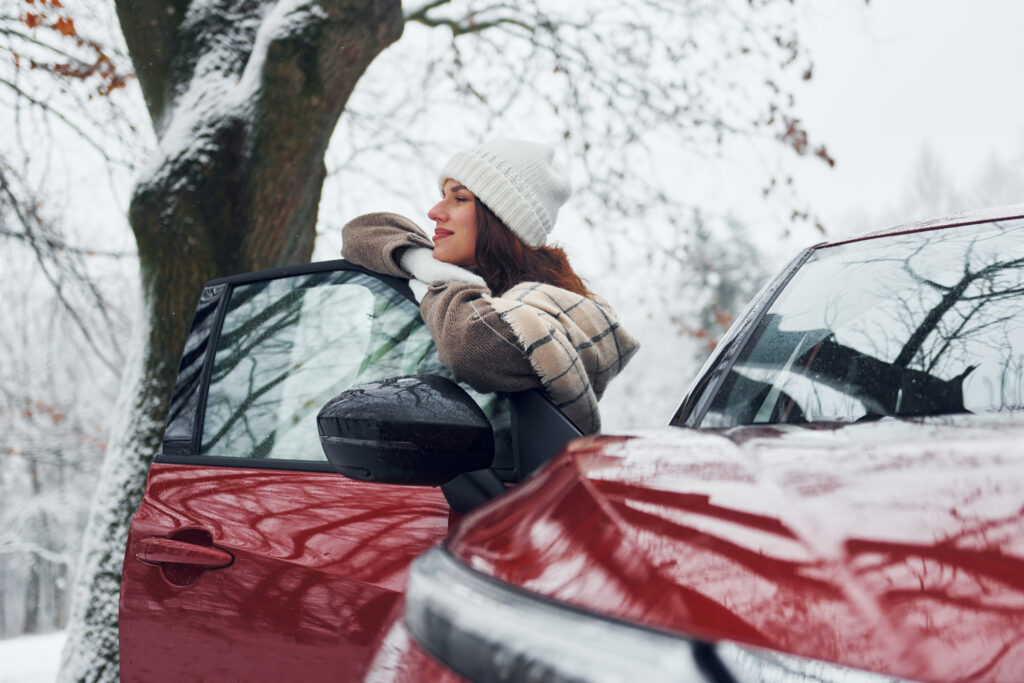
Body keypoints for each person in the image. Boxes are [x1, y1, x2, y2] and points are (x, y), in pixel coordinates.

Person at [341, 138, 638, 434]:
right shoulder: (453, 289)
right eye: (443, 195)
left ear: (502, 218)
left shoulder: (544, 310)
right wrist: (429, 268)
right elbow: (361, 232)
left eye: (459, 199)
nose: (434, 211)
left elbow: (470, 349)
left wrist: (441, 281)